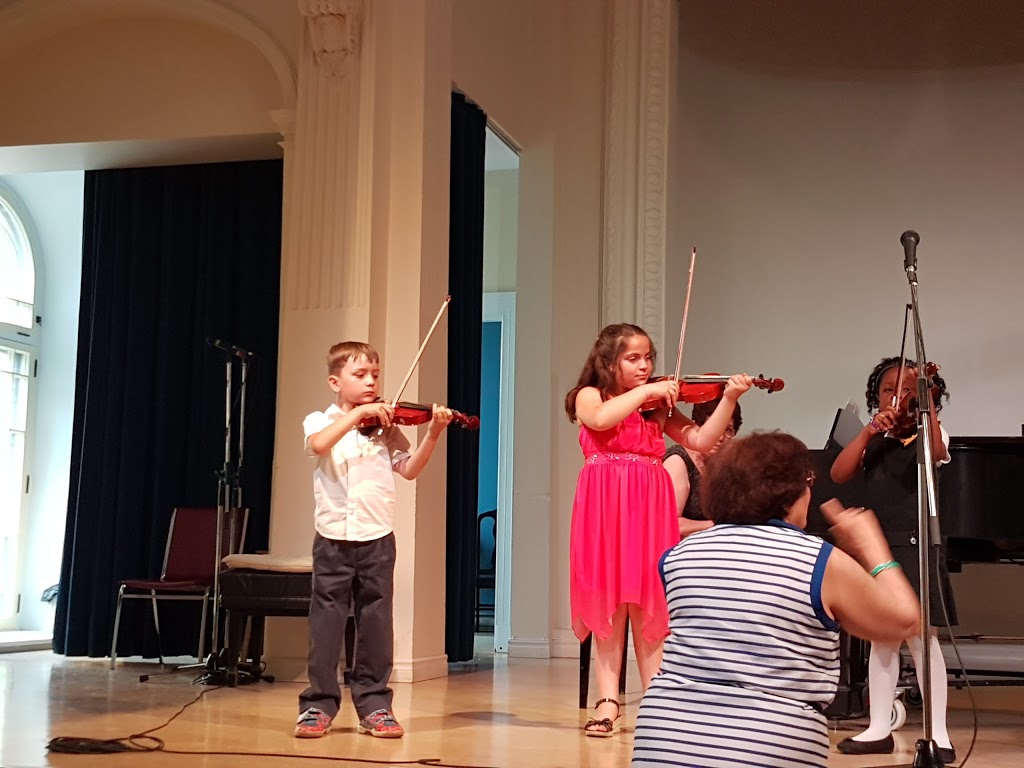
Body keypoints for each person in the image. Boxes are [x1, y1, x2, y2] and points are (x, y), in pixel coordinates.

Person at [631, 431, 922, 768]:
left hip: (664, 738)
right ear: (789, 496)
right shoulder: (817, 560)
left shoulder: (679, 555)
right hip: (768, 741)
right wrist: (872, 547)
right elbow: (904, 622)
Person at [564, 323, 752, 736]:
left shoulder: (657, 407)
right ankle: (608, 700)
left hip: (648, 509)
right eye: (633, 358)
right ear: (608, 362)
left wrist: (730, 398)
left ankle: (656, 701)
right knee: (608, 604)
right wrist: (646, 393)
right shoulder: (590, 395)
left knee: (650, 602)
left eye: (648, 357)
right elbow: (598, 419)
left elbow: (701, 439)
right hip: (603, 507)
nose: (645, 365)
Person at [294, 341, 453, 739]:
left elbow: (410, 469)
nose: (370, 382)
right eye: (359, 375)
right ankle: (318, 703)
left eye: (375, 376)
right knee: (326, 624)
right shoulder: (319, 420)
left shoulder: (387, 428)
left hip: (377, 536)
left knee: (376, 623)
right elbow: (318, 445)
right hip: (332, 537)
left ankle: (375, 705)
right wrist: (360, 414)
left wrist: (433, 432)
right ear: (335, 381)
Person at [829, 357, 956, 761]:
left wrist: (926, 403)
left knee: (922, 640)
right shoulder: (872, 438)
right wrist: (867, 431)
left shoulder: (928, 432)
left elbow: (936, 450)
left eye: (906, 389)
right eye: (888, 389)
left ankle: (938, 732)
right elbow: (838, 473)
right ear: (876, 395)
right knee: (882, 640)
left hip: (917, 544)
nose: (895, 396)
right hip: (880, 550)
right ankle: (878, 726)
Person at [663, 398, 743, 538]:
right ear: (698, 426)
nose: (720, 437)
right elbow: (669, 523)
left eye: (728, 430)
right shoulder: (678, 461)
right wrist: (719, 526)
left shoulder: (724, 466)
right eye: (715, 428)